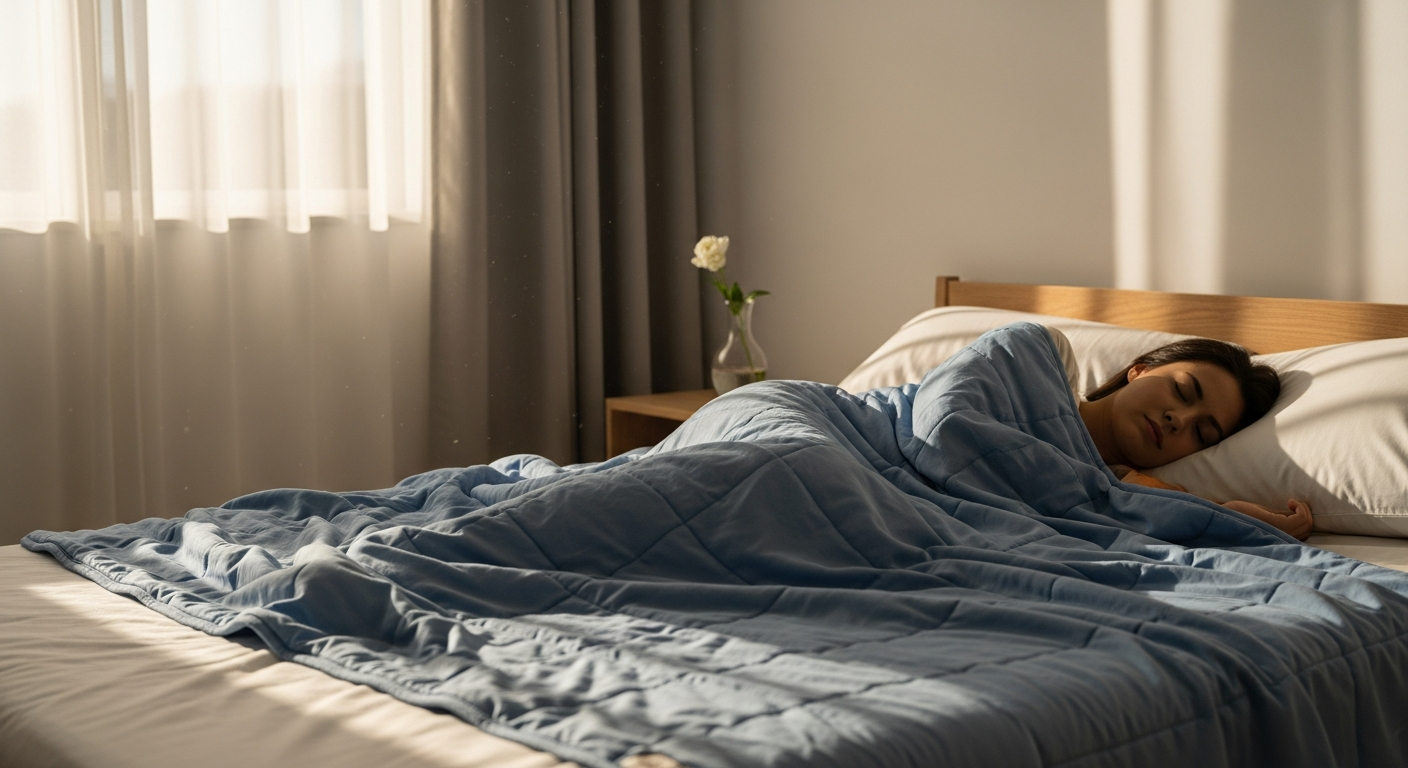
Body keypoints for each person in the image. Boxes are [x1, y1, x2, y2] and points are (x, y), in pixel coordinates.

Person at [1073, 337, 1313, 541]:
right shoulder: (1050, 361)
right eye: (1181, 391)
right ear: (1139, 371)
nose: (1179, 419)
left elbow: (1173, 508)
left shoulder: (1119, 488)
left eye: (1201, 433)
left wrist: (1231, 516)